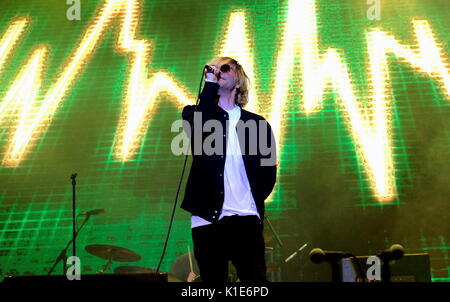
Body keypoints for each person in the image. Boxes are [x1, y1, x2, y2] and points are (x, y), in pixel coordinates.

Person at [181, 57, 277, 282]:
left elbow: (269, 169)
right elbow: (199, 126)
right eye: (213, 69)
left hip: (246, 217)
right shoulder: (193, 114)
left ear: (238, 79)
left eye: (224, 68)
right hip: (207, 218)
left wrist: (252, 199)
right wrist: (210, 84)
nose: (217, 71)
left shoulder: (258, 123)